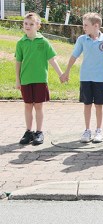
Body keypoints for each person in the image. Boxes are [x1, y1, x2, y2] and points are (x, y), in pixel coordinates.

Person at [60, 12, 103, 143]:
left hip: (100, 78)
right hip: (86, 77)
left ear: (96, 25)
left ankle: (99, 130)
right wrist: (66, 72)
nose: (84, 28)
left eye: (86, 25)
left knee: (99, 105)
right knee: (87, 104)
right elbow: (74, 56)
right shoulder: (82, 39)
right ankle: (87, 130)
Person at [15, 12, 64, 146]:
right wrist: (17, 80)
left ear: (38, 26)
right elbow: (18, 62)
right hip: (25, 80)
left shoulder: (43, 42)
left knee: (38, 106)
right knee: (27, 106)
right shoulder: (20, 43)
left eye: (31, 24)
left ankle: (39, 132)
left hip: (40, 79)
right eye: (25, 23)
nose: (28, 26)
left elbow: (52, 60)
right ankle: (28, 131)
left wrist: (61, 74)